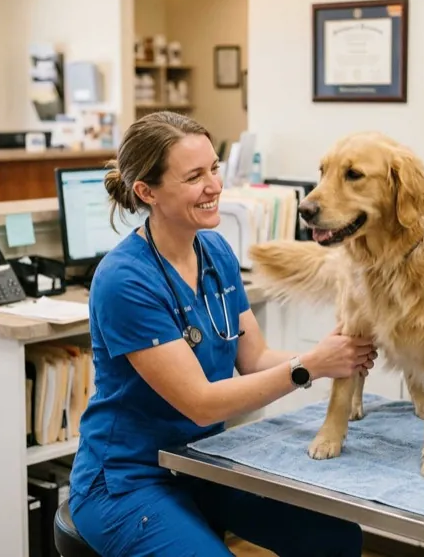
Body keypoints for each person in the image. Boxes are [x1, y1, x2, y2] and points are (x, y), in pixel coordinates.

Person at [68, 110, 377, 556]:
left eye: (214, 168)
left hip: (202, 462)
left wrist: (336, 356)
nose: (215, 186)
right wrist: (310, 365)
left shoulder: (214, 250)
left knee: (335, 538)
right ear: (146, 191)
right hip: (127, 478)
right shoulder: (125, 281)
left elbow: (254, 358)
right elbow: (200, 403)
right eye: (194, 176)